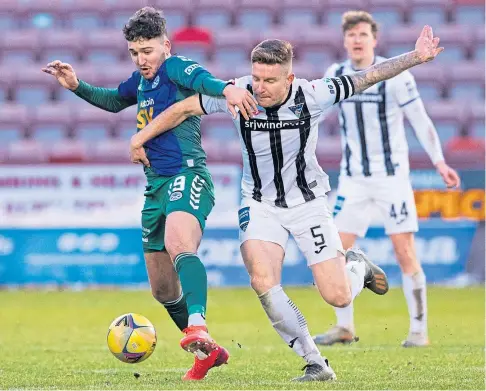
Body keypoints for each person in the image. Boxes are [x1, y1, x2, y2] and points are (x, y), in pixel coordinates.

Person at [128, 25, 443, 381]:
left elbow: (369, 76)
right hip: (260, 203)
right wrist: (140, 136)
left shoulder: (313, 94)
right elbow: (184, 108)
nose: (259, 87)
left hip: (308, 203)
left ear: (289, 78)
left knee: (338, 297)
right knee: (262, 280)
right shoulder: (239, 93)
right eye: (256, 77)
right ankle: (315, 362)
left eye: (269, 80)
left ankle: (357, 267)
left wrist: (417, 57)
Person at [42, 6, 257, 381]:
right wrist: (76, 86)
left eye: (147, 51)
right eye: (134, 53)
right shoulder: (141, 83)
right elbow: (113, 101)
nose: (141, 60)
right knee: (161, 289)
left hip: (187, 176)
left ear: (165, 46)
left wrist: (228, 89)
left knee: (179, 244)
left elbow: (204, 79)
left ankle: (198, 325)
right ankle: (204, 351)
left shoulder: (175, 68)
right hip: (155, 186)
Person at [312, 11, 461, 348]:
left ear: (374, 40)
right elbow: (315, 115)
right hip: (353, 179)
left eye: (363, 34)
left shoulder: (395, 75)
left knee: (404, 251)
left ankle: (419, 330)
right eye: (351, 34)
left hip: (392, 178)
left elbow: (419, 119)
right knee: (337, 250)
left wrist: (439, 162)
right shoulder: (335, 74)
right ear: (345, 40)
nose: (357, 39)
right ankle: (344, 327)